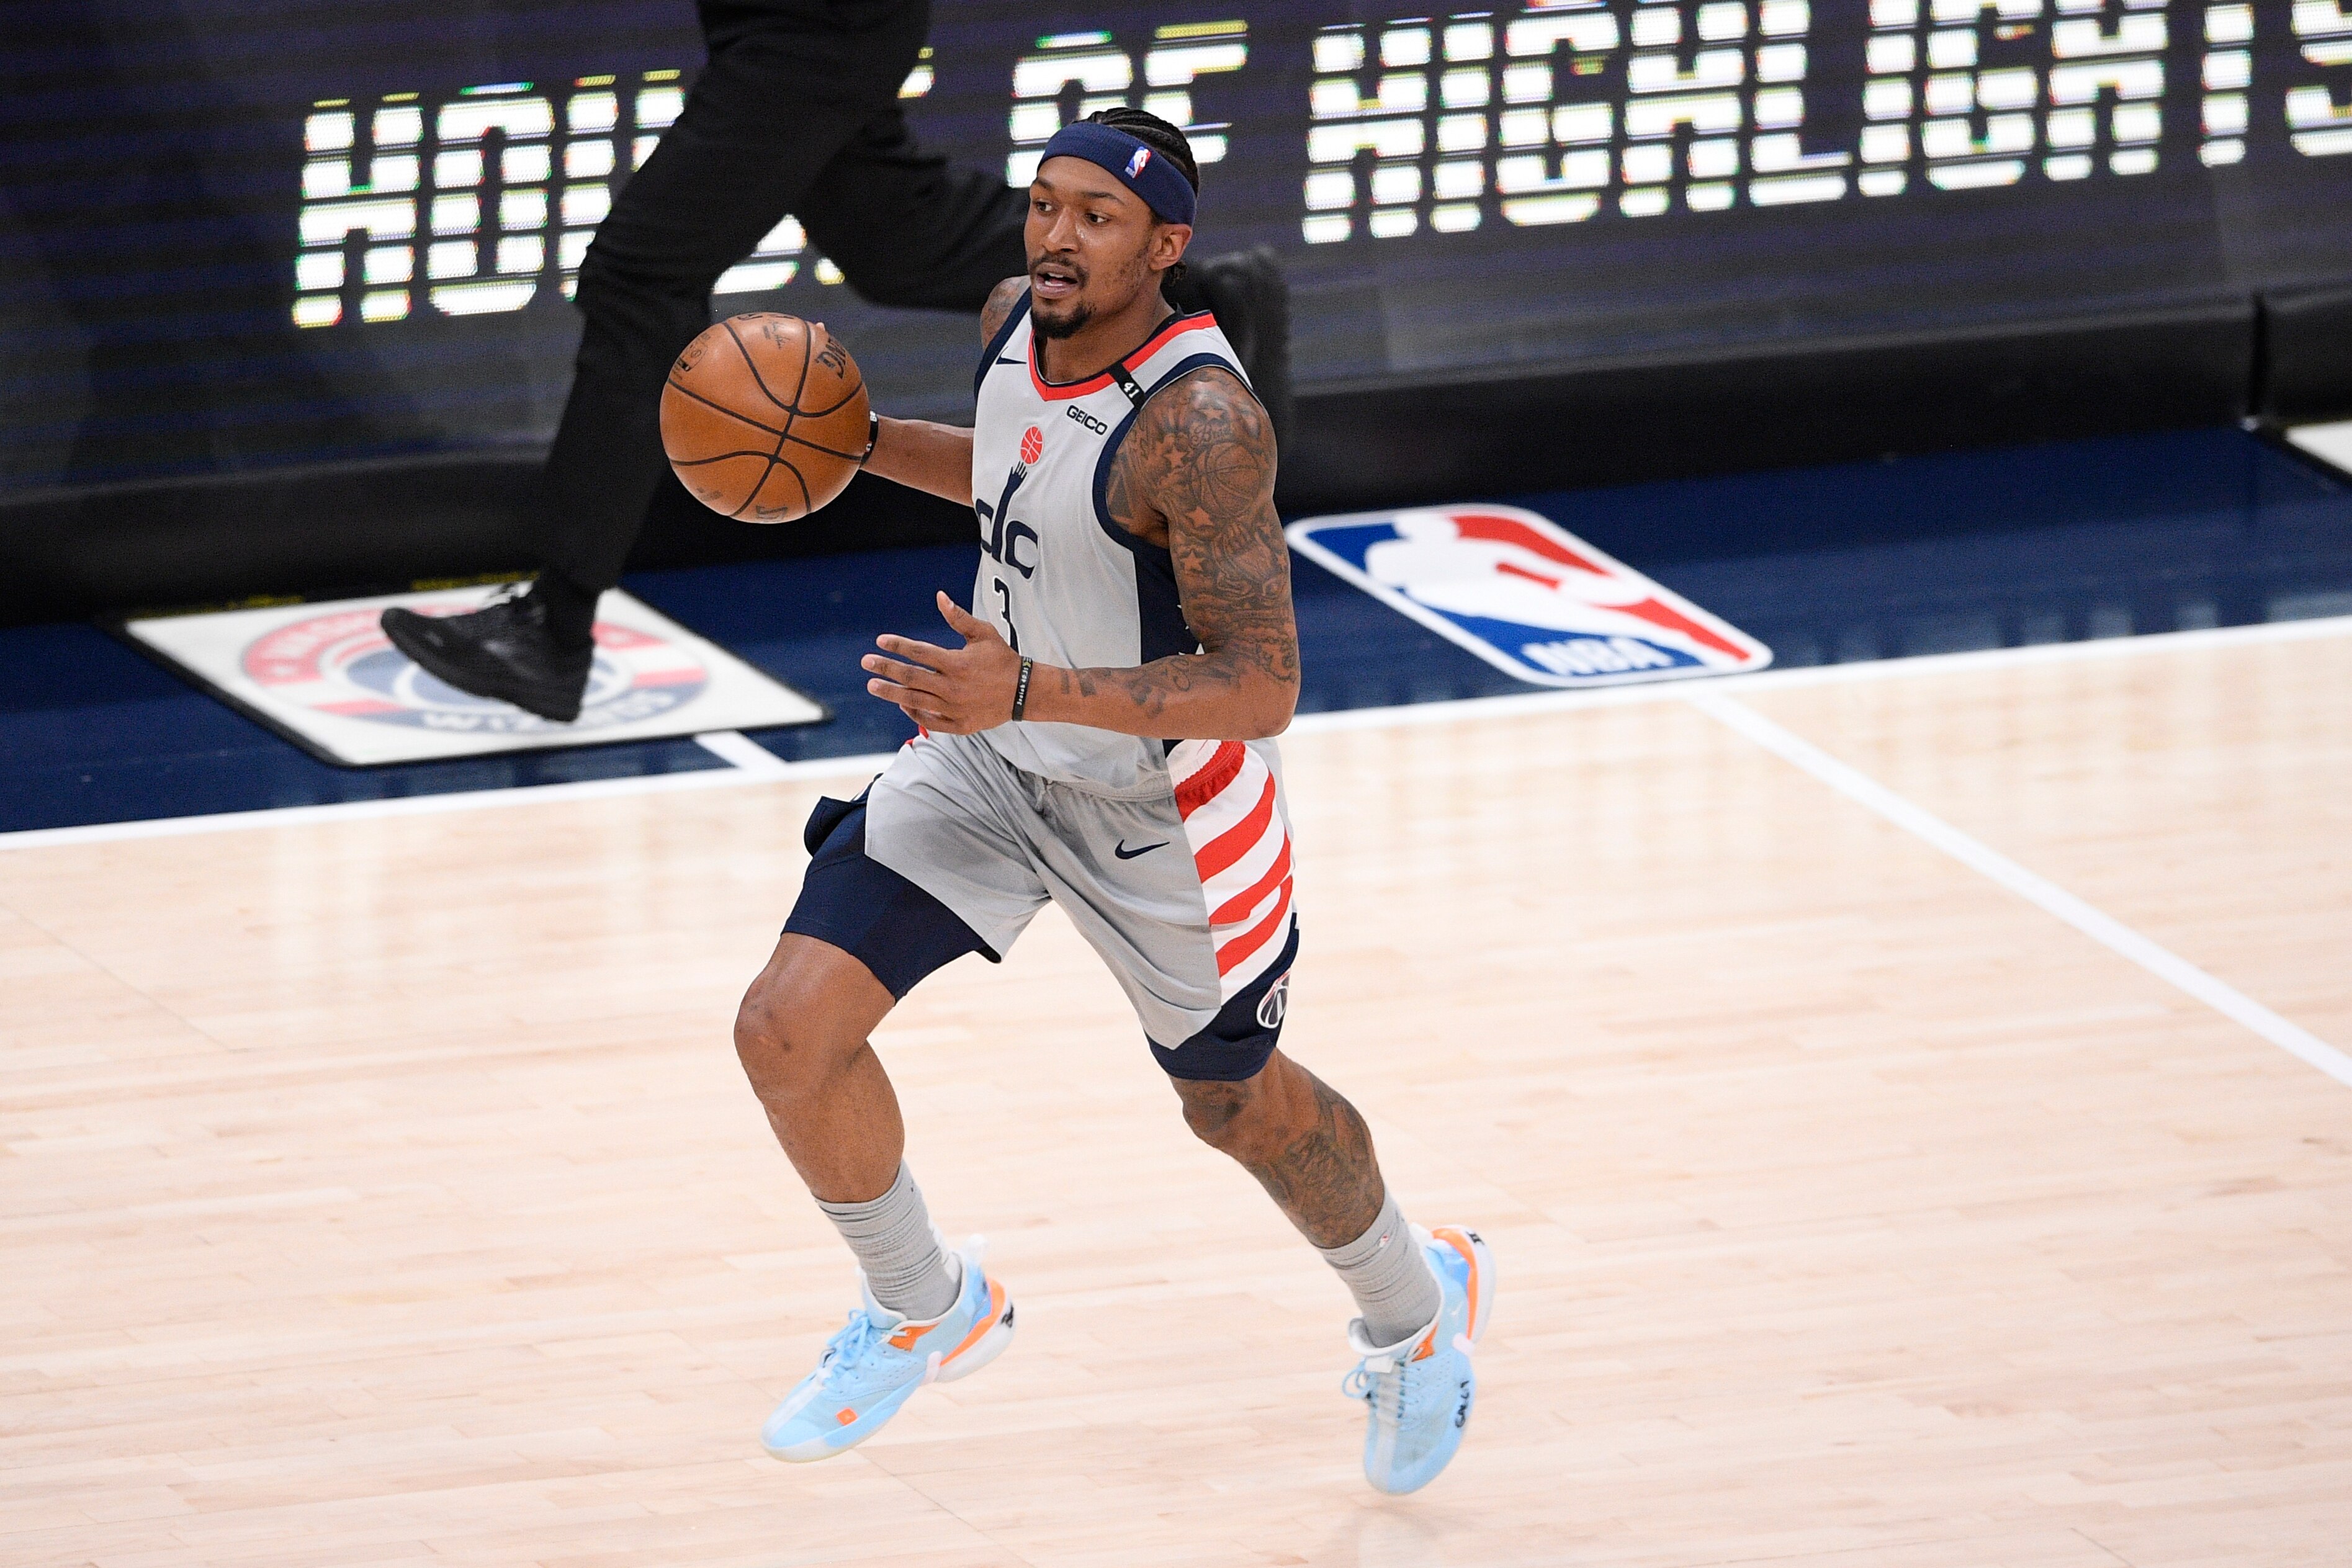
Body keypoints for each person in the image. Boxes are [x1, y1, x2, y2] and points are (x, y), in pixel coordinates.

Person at [729, 108, 1491, 1496]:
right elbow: (1011, 467)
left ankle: (1416, 1307)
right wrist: (836, 443)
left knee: (1235, 1107)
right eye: (1044, 202)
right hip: (990, 751)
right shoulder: (1011, 318)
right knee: (784, 1029)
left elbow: (1260, 686)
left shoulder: (1200, 424)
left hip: (1160, 810)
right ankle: (923, 1301)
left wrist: (1022, 684)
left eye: (1096, 215)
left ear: (1167, 245)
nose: (1056, 235)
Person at [379, 0, 1288, 724]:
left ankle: (554, 626)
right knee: (892, 236)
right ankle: (1207, 301)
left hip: (811, 23)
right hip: (796, 23)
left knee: (639, 272)